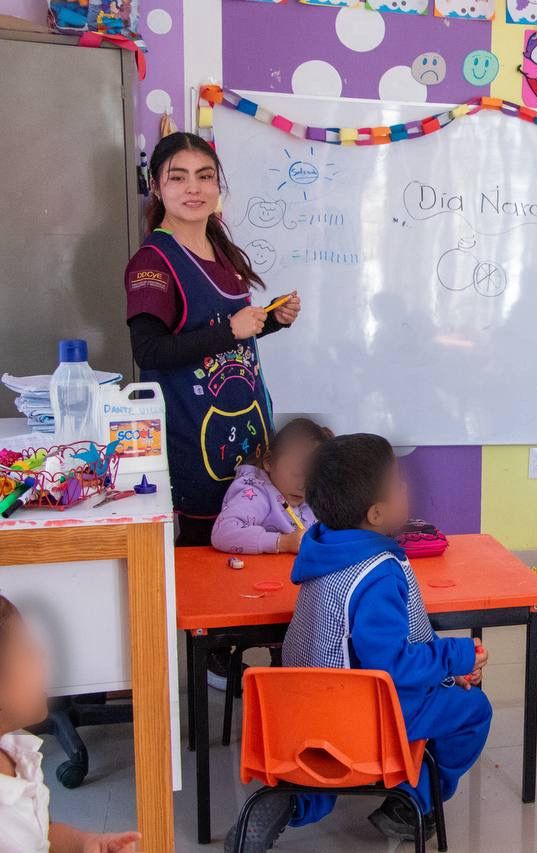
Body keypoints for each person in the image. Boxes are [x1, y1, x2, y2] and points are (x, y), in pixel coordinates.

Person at [227, 434, 490, 850]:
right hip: (362, 722)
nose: (406, 487)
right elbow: (393, 666)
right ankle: (410, 804)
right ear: (377, 513)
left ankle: (295, 800)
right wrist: (455, 658)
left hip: (300, 715)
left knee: (341, 722)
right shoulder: (378, 574)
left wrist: (440, 670)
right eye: (397, 482)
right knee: (473, 711)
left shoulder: (321, 548)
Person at [124, 132, 302, 547]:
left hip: (247, 429)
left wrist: (270, 321)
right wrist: (230, 331)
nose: (194, 188)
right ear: (156, 186)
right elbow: (148, 351)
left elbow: (221, 330)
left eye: (204, 176)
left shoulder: (218, 248)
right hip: (194, 437)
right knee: (210, 551)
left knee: (255, 545)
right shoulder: (153, 261)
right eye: (178, 177)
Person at [0, 596, 141, 853]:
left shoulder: (14, 752)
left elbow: (41, 834)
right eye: (26, 651)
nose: (41, 654)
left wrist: (86, 843)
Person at [211, 417, 332, 555]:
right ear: (269, 462)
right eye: (297, 474)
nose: (302, 486)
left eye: (312, 478)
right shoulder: (256, 493)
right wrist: (282, 542)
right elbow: (223, 533)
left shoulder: (312, 495)